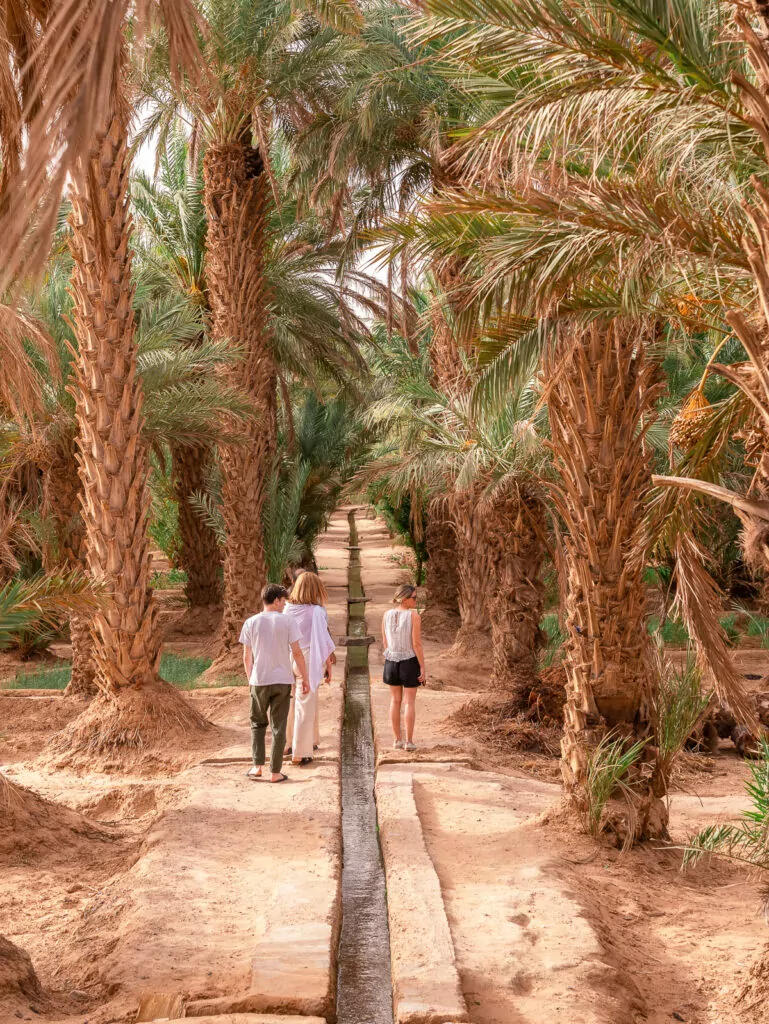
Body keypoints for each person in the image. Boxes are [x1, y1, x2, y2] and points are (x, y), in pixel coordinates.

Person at [240, 583, 309, 783]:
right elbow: (297, 653)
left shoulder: (251, 622)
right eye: (283, 601)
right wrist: (305, 678)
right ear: (277, 600)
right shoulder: (288, 622)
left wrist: (250, 679)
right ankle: (275, 772)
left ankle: (257, 767)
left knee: (257, 723)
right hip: (282, 680)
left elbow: (247, 657)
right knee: (279, 726)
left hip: (259, 680)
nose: (284, 605)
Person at [283, 572, 336, 766]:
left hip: (286, 657)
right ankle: (300, 752)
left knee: (289, 703)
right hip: (306, 657)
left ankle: (287, 745)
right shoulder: (317, 612)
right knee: (304, 704)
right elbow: (323, 642)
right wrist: (328, 665)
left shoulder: (286, 609)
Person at [382, 584, 425, 751]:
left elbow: (385, 642)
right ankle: (409, 741)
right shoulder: (414, 616)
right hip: (409, 661)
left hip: (391, 661)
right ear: (404, 599)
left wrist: (392, 654)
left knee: (395, 701)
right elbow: (416, 644)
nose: (416, 600)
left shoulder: (386, 615)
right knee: (409, 702)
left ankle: (397, 740)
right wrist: (422, 667)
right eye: (414, 597)